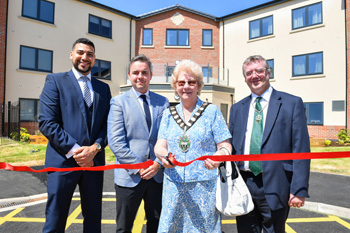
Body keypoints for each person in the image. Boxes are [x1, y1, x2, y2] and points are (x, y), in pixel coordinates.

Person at [228, 55, 311, 233]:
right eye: (249, 73)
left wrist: (299, 189)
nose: (254, 76)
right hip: (244, 184)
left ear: (268, 73)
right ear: (245, 78)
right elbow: (231, 147)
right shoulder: (237, 109)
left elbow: (301, 148)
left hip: (276, 184)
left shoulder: (291, 104)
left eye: (259, 71)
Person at [38, 38, 111, 233]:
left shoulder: (103, 88)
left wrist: (95, 148)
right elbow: (47, 122)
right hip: (63, 162)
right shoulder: (55, 81)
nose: (84, 57)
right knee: (55, 220)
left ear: (94, 59)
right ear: (71, 55)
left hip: (94, 163)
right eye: (80, 52)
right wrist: (78, 151)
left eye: (89, 54)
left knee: (94, 220)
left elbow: (107, 125)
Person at [154, 59, 232, 233]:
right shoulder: (168, 114)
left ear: (199, 86)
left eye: (191, 82)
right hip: (174, 186)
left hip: (203, 187)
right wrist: (164, 157)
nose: (186, 86)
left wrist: (218, 157)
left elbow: (225, 145)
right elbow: (159, 145)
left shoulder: (211, 112)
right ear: (175, 86)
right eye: (181, 83)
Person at [107, 54, 169, 233]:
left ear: (150, 75)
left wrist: (157, 164)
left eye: (144, 72)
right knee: (124, 227)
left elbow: (167, 138)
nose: (140, 76)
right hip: (130, 176)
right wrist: (140, 166)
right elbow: (116, 141)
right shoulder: (118, 102)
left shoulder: (163, 102)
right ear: (129, 75)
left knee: (157, 225)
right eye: (136, 73)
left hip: (157, 176)